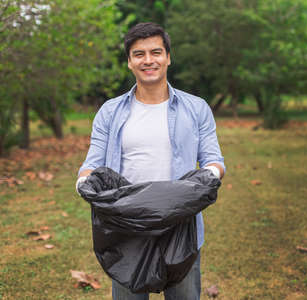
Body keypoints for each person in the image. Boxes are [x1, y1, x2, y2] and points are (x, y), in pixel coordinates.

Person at [76, 22, 225, 300]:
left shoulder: (196, 109)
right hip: (126, 230)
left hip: (180, 228)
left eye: (155, 52)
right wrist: (84, 182)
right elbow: (92, 163)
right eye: (139, 54)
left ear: (168, 57)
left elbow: (213, 159)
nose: (148, 60)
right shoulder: (110, 112)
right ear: (129, 62)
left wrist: (210, 176)